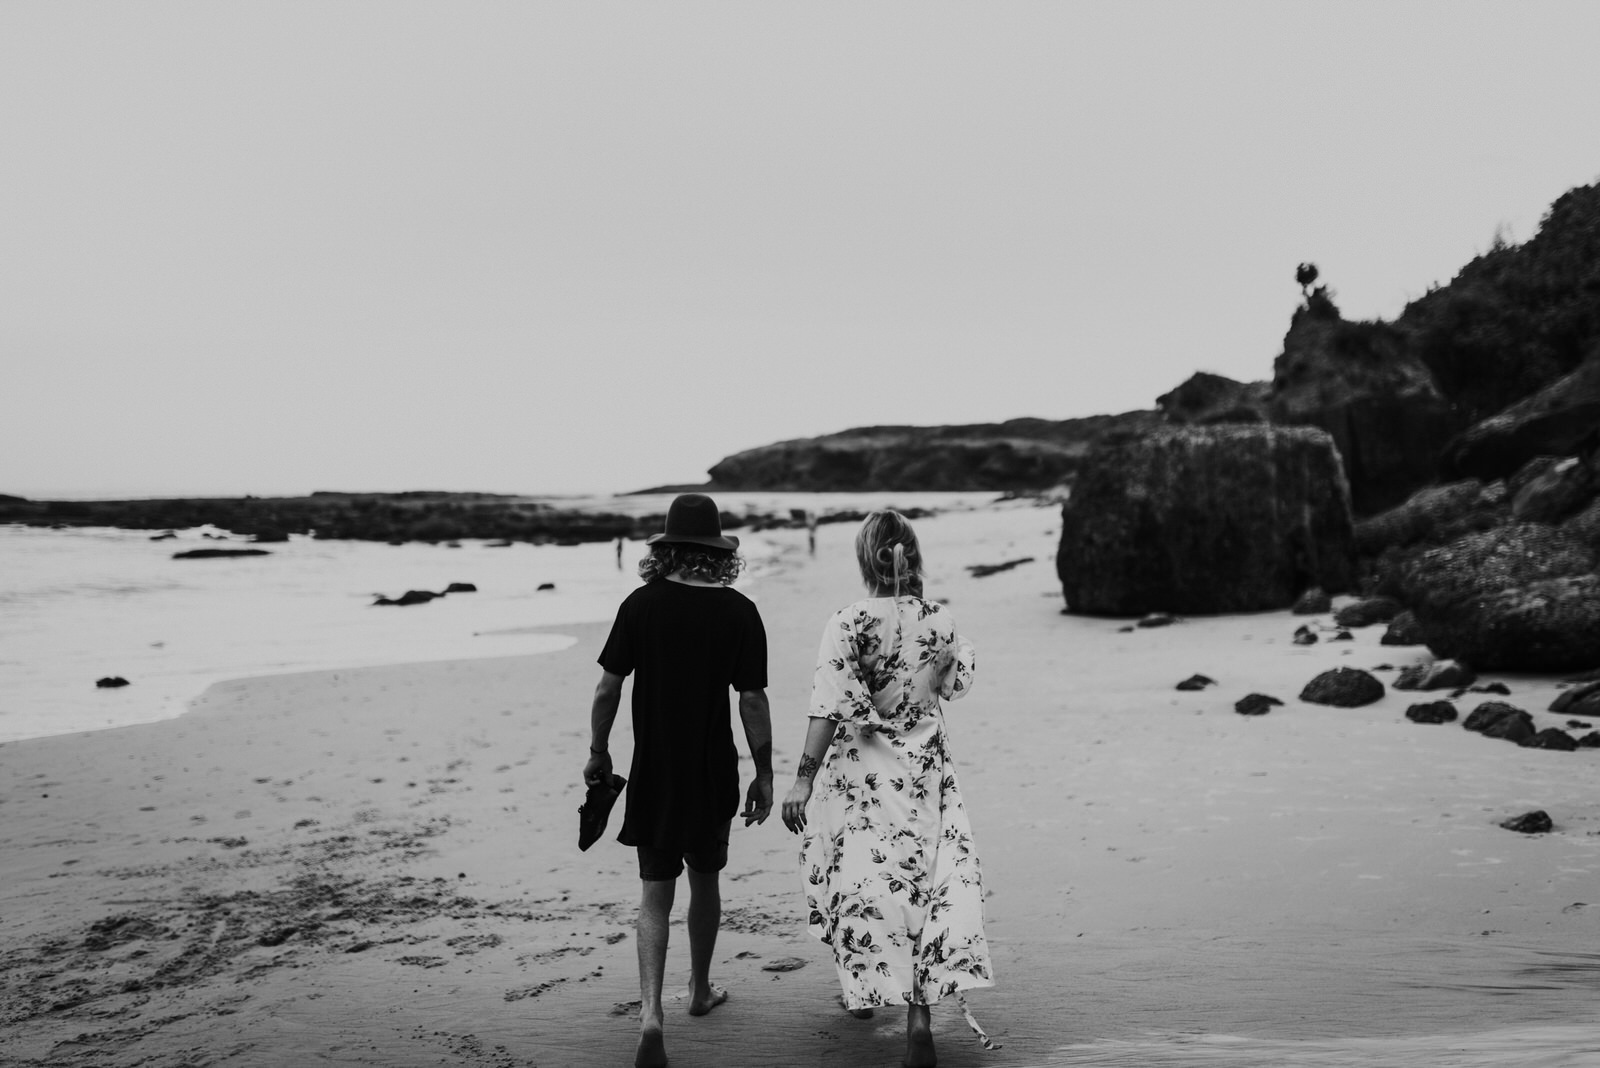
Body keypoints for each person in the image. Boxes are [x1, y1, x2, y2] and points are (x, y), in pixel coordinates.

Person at [781, 510, 995, 1067]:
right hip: (925, 773)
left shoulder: (847, 622)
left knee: (861, 881)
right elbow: (955, 684)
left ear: (864, 558)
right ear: (913, 555)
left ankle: (864, 986)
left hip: (862, 776)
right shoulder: (941, 619)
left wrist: (802, 779)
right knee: (924, 886)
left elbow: (828, 707)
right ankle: (918, 1019)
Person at [585, 493, 774, 1068]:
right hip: (712, 769)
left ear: (666, 548)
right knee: (706, 880)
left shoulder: (640, 604)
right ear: (718, 553)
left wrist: (598, 751)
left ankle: (650, 1014)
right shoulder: (739, 611)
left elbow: (608, 688)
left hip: (654, 771)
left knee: (653, 892)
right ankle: (699, 990)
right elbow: (751, 700)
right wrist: (764, 772)